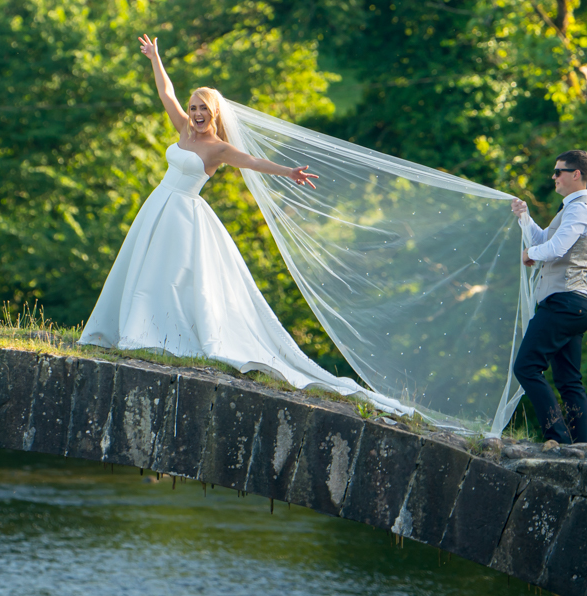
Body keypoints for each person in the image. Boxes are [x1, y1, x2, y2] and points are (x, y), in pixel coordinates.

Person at [79, 35, 371, 394]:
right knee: (142, 266)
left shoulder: (217, 149)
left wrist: (288, 172)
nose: (197, 114)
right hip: (158, 206)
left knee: (171, 276)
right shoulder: (183, 129)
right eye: (194, 107)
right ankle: (132, 328)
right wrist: (155, 58)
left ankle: (159, 334)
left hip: (183, 214)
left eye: (203, 109)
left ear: (213, 113)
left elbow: (253, 162)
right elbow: (165, 94)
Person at [509, 151, 587, 444]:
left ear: (577, 175)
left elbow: (555, 248)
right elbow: (543, 240)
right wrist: (524, 216)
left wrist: (528, 255)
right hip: (572, 305)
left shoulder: (580, 209)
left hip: (564, 303)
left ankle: (558, 437)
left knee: (526, 366)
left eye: (559, 171)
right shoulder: (570, 209)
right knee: (569, 381)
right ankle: (581, 447)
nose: (554, 176)